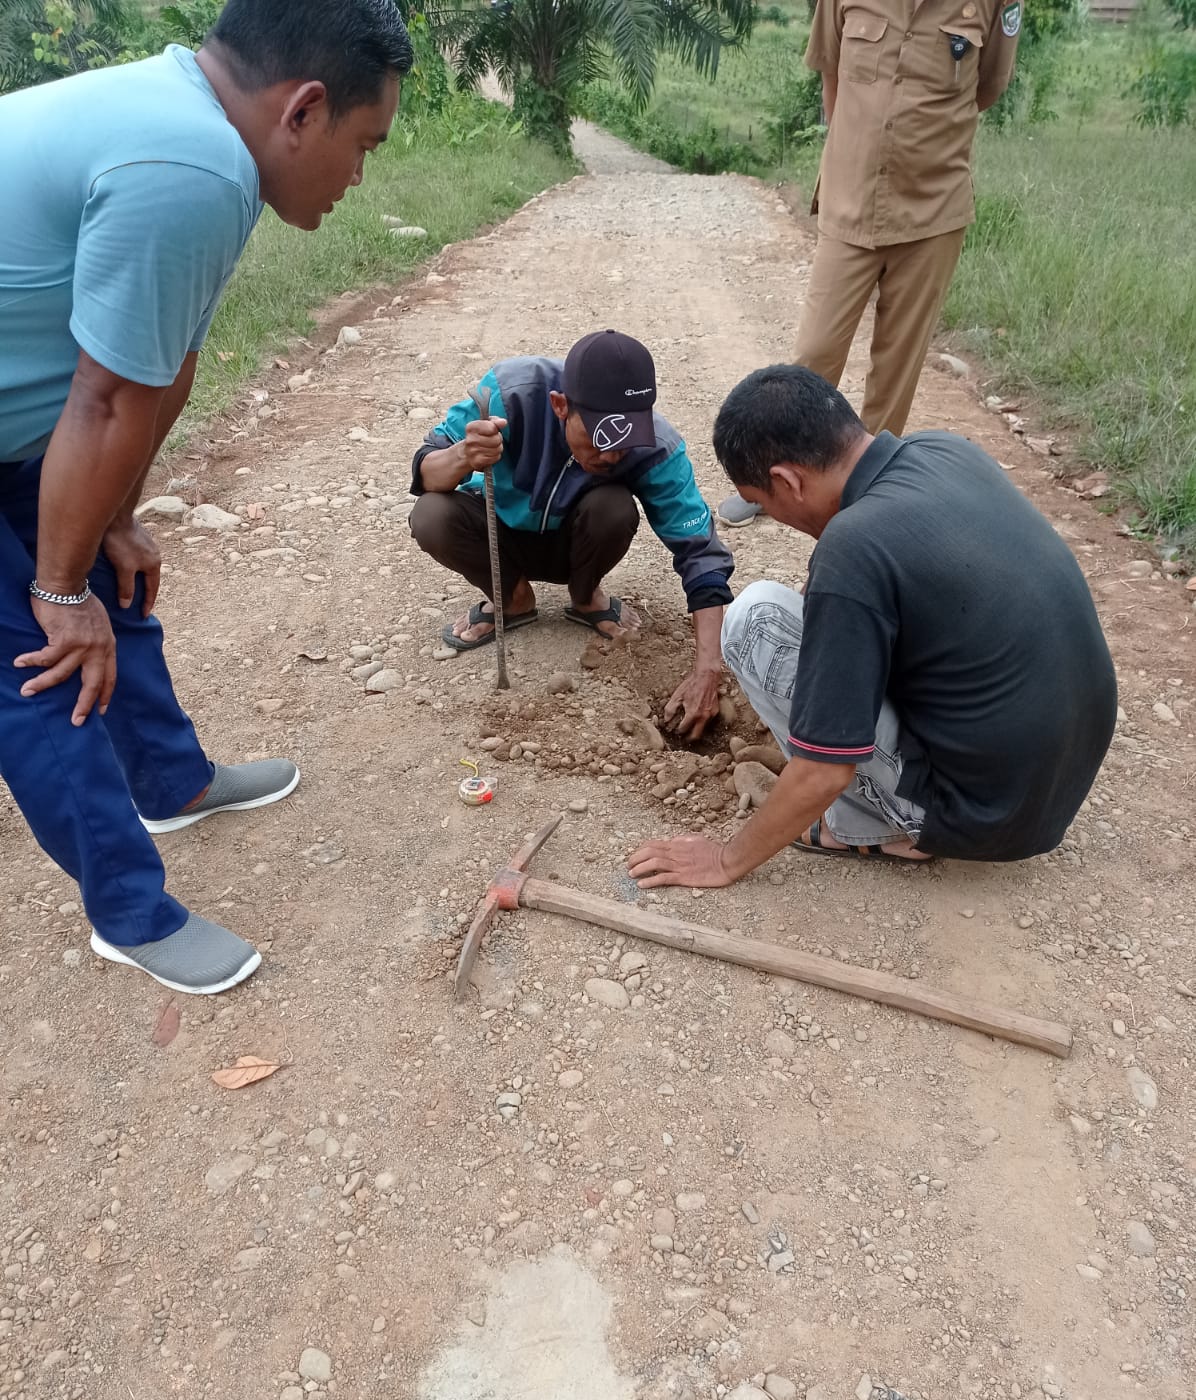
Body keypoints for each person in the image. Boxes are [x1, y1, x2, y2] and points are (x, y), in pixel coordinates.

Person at [0, 0, 412, 994]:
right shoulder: (189, 165)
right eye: (364, 147)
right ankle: (129, 912)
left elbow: (157, 374)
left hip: (21, 430)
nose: (359, 179)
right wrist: (58, 592)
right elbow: (101, 403)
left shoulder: (202, 139)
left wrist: (117, 520)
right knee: (38, 658)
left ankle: (170, 781)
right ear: (303, 110)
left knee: (107, 571)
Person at [629, 365, 1117, 889]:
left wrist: (725, 860)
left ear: (787, 480)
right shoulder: (943, 450)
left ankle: (867, 826)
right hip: (1058, 781)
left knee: (754, 619)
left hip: (978, 817)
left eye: (765, 502)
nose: (778, 516)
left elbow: (825, 769)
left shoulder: (853, 546)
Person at [718, 0, 1021, 528]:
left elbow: (987, 87)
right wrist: (852, 152)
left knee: (895, 371)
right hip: (850, 202)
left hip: (932, 210)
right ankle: (774, 469)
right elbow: (831, 73)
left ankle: (871, 504)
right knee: (814, 352)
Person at [409, 330, 735, 739]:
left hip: (577, 542)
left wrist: (708, 667)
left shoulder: (658, 447)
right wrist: (463, 455)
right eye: (600, 439)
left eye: (624, 441)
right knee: (432, 514)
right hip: (500, 537)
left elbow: (700, 554)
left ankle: (585, 597)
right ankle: (511, 598)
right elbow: (425, 468)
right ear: (560, 405)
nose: (612, 455)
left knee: (613, 506)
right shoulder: (508, 393)